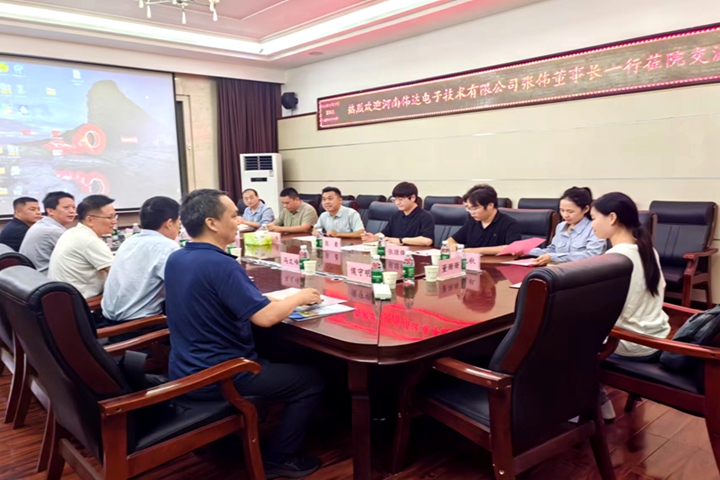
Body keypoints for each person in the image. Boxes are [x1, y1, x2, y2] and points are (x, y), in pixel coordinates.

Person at [165, 189, 324, 478]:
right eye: (233, 215)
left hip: (184, 366)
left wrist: (275, 300)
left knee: (279, 352)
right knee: (310, 380)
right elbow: (265, 318)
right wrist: (299, 297)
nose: (239, 221)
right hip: (222, 374)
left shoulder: (178, 258)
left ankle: (230, 442)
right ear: (212, 223)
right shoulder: (221, 264)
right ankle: (280, 459)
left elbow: (230, 300)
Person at [591, 192, 670, 421]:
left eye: (594, 218)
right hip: (656, 337)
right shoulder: (647, 249)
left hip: (628, 344)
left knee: (559, 337)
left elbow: (598, 310)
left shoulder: (614, 258)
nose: (592, 225)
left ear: (612, 218)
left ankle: (594, 400)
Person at [102, 196, 180, 323]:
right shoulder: (167, 247)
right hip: (140, 325)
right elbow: (181, 288)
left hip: (108, 320)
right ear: (169, 223)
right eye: (178, 223)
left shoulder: (130, 241)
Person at [48, 195, 116, 299]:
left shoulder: (72, 232)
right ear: (90, 220)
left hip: (62, 297)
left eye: (115, 216)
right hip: (83, 301)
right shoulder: (89, 241)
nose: (114, 221)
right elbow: (118, 273)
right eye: (110, 217)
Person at [529, 187, 606, 266]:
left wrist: (552, 257)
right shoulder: (561, 227)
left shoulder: (594, 228)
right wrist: (527, 251)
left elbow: (592, 255)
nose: (565, 215)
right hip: (559, 269)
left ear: (585, 209)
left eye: (570, 211)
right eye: (562, 210)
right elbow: (552, 250)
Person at [447, 184, 521, 254]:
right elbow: (451, 240)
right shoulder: (473, 222)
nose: (471, 212)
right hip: (472, 262)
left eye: (474, 208)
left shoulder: (509, 224)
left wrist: (474, 251)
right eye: (468, 208)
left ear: (490, 205)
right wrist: (453, 245)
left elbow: (512, 248)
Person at [19, 191, 76, 274]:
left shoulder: (43, 224)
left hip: (31, 274)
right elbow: (77, 256)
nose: (72, 211)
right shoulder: (53, 231)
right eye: (66, 208)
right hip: (45, 277)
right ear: (50, 211)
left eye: (73, 207)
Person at [362, 182, 434, 246]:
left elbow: (427, 240)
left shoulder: (425, 216)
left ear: (412, 198)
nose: (397, 203)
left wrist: (401, 240)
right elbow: (384, 233)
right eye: (395, 199)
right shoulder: (396, 215)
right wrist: (375, 237)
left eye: (400, 199)